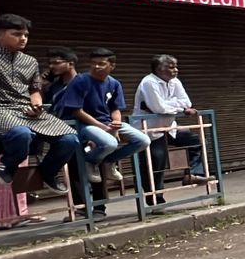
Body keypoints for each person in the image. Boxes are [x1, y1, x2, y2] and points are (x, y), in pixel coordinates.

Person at [0, 14, 81, 195]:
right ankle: (8, 165)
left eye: (26, 35)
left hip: (24, 111)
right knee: (21, 134)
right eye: (17, 34)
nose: (23, 38)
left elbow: (35, 89)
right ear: (0, 34)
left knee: (70, 138)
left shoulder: (30, 61)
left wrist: (36, 105)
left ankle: (49, 171)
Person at [54, 48, 151, 189]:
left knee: (143, 140)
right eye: (93, 63)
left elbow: (115, 108)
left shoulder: (114, 84)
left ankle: (108, 162)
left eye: (101, 64)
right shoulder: (80, 81)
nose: (96, 66)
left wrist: (116, 124)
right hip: (83, 124)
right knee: (110, 143)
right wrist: (104, 128)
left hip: (107, 122)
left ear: (112, 66)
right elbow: (76, 111)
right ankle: (91, 162)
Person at [134, 54, 210, 202]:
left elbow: (187, 102)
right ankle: (155, 199)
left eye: (176, 66)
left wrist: (173, 105)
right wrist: (177, 105)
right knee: (156, 162)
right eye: (171, 67)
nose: (176, 70)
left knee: (196, 141)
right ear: (159, 69)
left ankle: (194, 174)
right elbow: (159, 108)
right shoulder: (149, 83)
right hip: (149, 130)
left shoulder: (175, 82)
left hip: (169, 126)